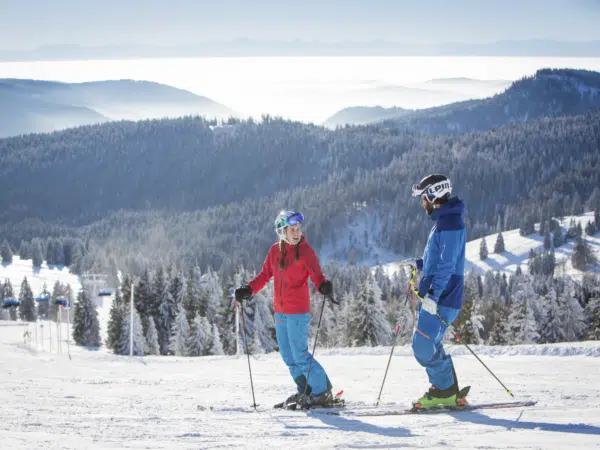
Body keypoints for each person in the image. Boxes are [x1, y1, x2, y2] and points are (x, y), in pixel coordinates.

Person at [234, 210, 335, 409]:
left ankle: (322, 392)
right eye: (292, 230)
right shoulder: (274, 251)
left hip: (298, 311)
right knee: (288, 356)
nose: (297, 233)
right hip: (280, 311)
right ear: (282, 231)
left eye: (298, 229)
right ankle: (305, 391)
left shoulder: (306, 252)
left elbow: (317, 276)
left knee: (299, 354)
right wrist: (248, 289)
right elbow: (264, 275)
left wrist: (323, 286)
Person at [409, 174, 467, 409]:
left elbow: (448, 265)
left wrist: (433, 296)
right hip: (438, 295)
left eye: (424, 198)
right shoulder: (445, 221)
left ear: (434, 196)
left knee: (422, 346)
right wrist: (420, 265)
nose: (422, 203)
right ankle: (448, 389)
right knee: (428, 342)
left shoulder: (450, 223)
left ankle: (444, 390)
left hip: (442, 297)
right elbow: (439, 261)